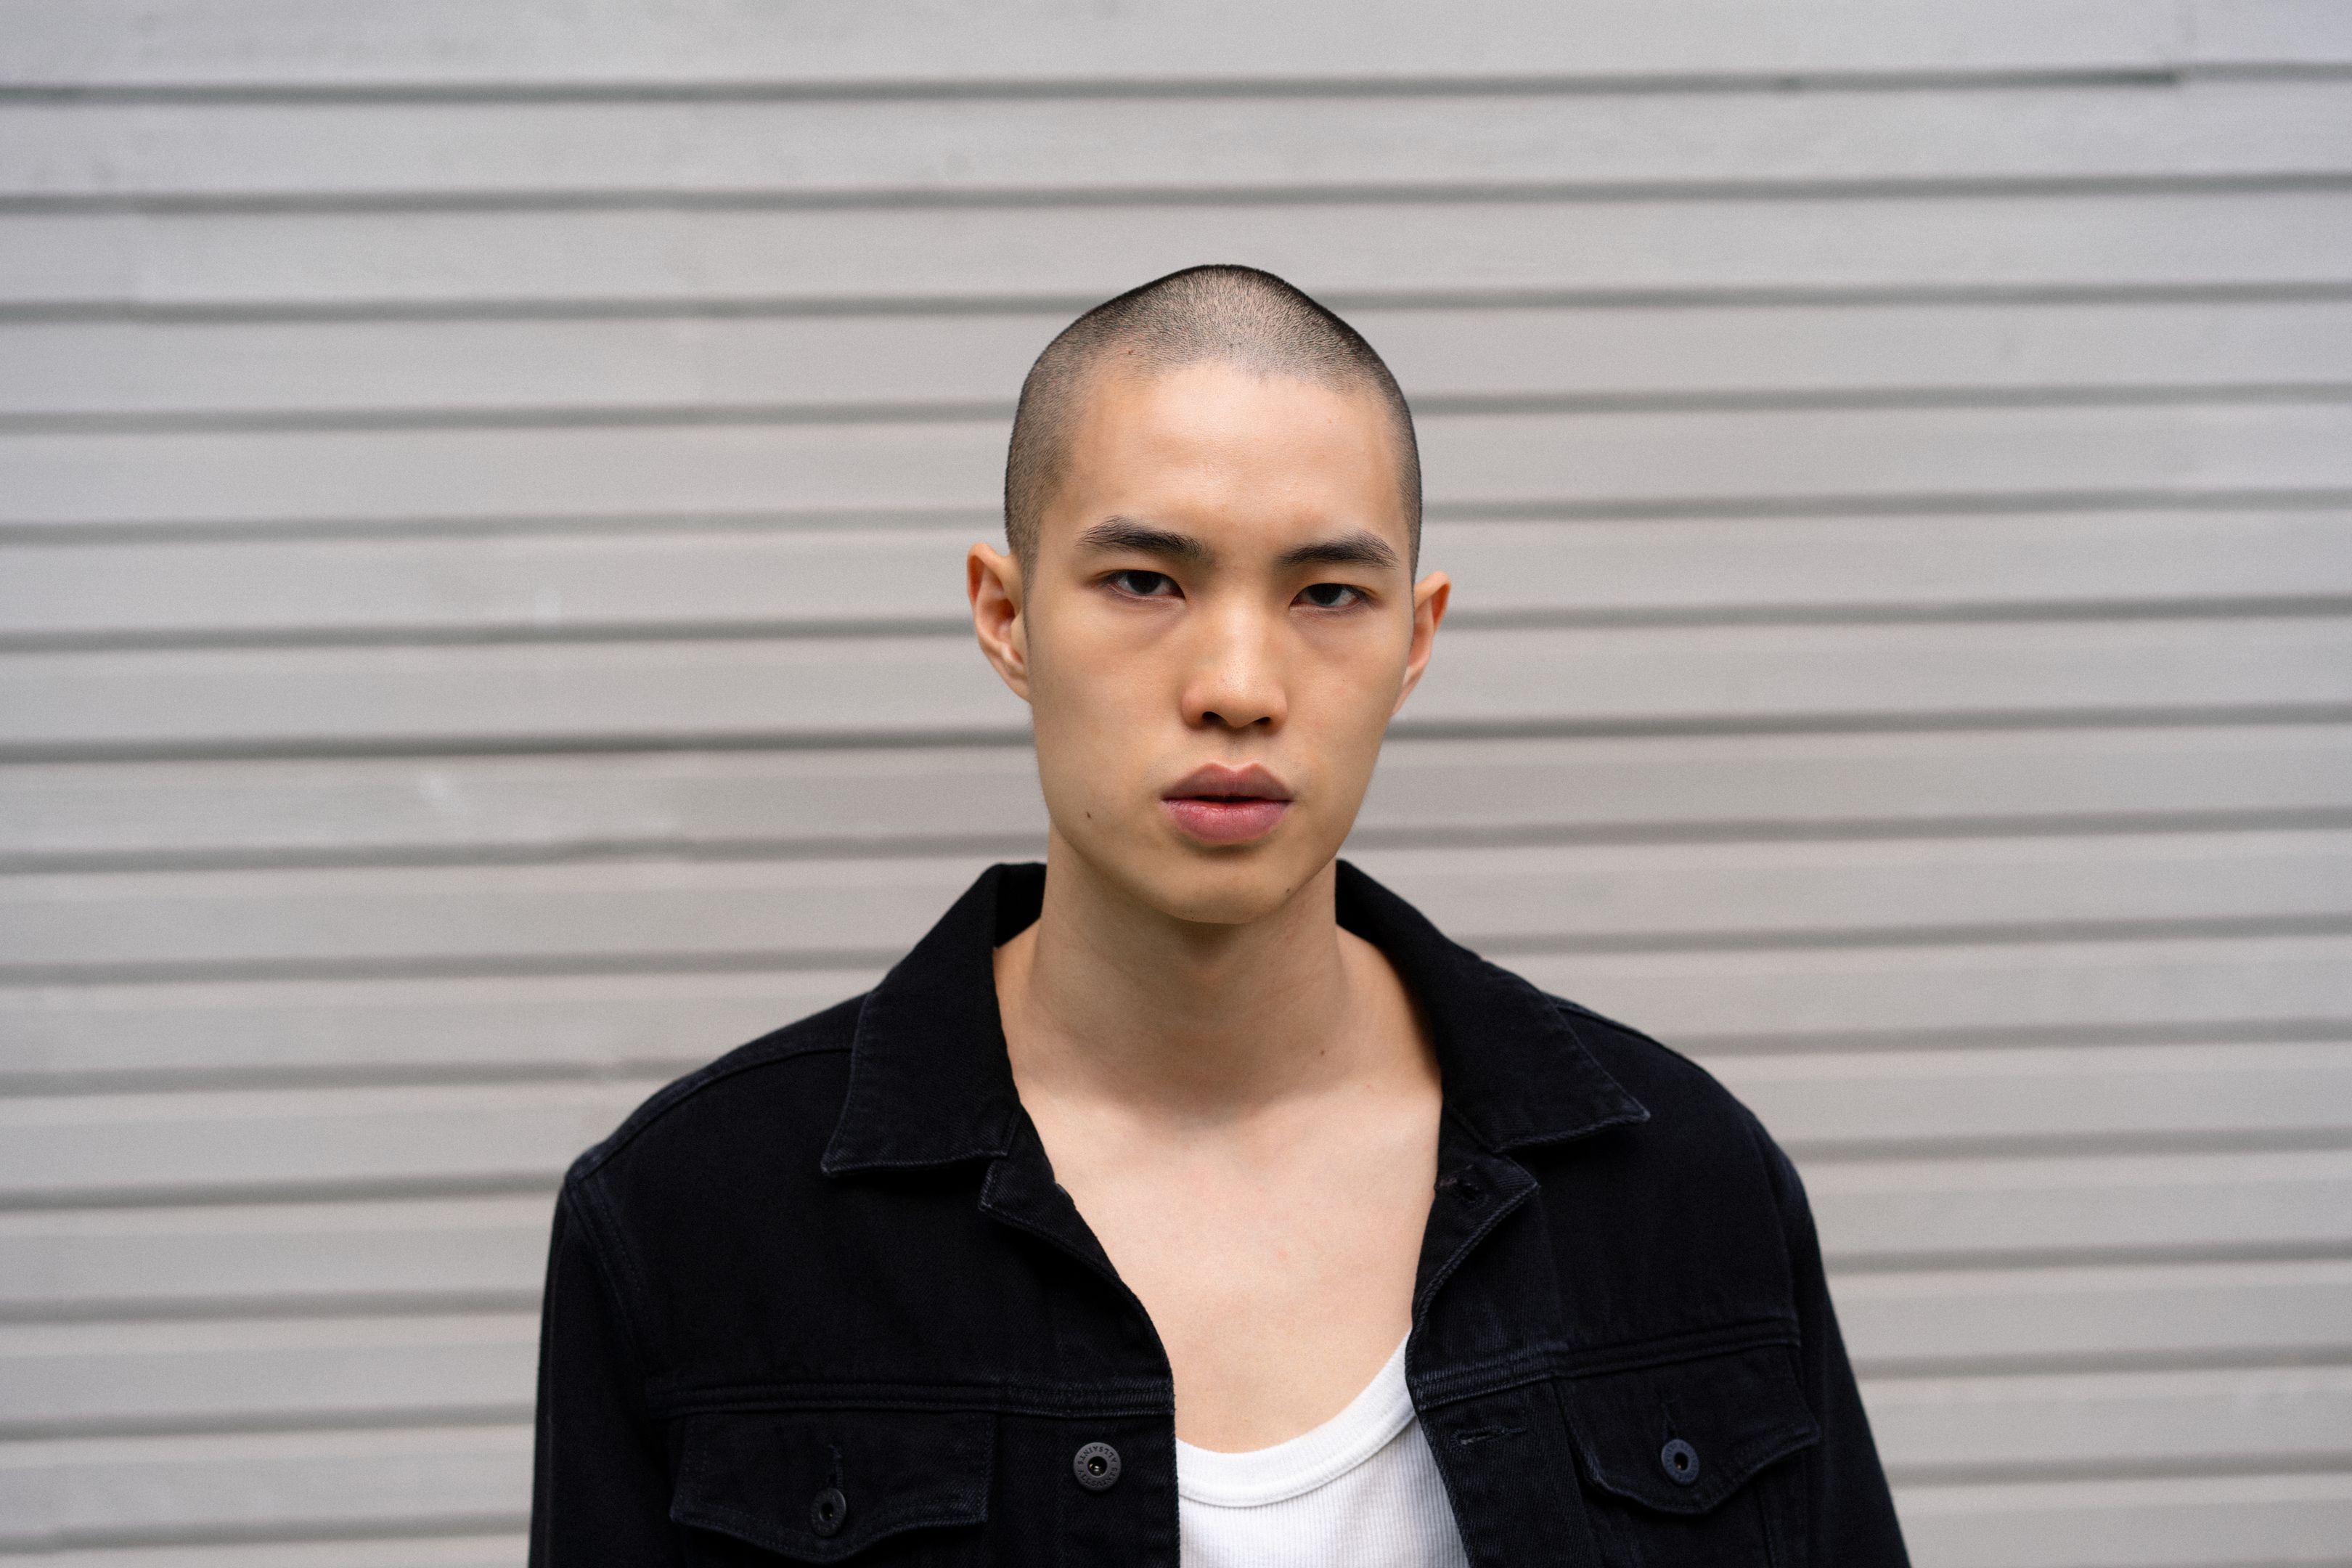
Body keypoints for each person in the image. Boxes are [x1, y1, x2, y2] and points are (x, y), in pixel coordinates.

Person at [528, 265, 1909, 1566]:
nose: (1239, 686)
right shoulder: (693, 1219)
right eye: (1145, 582)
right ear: (1005, 617)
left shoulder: (1683, 1189)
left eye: (1329, 594)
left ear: (1416, 639)